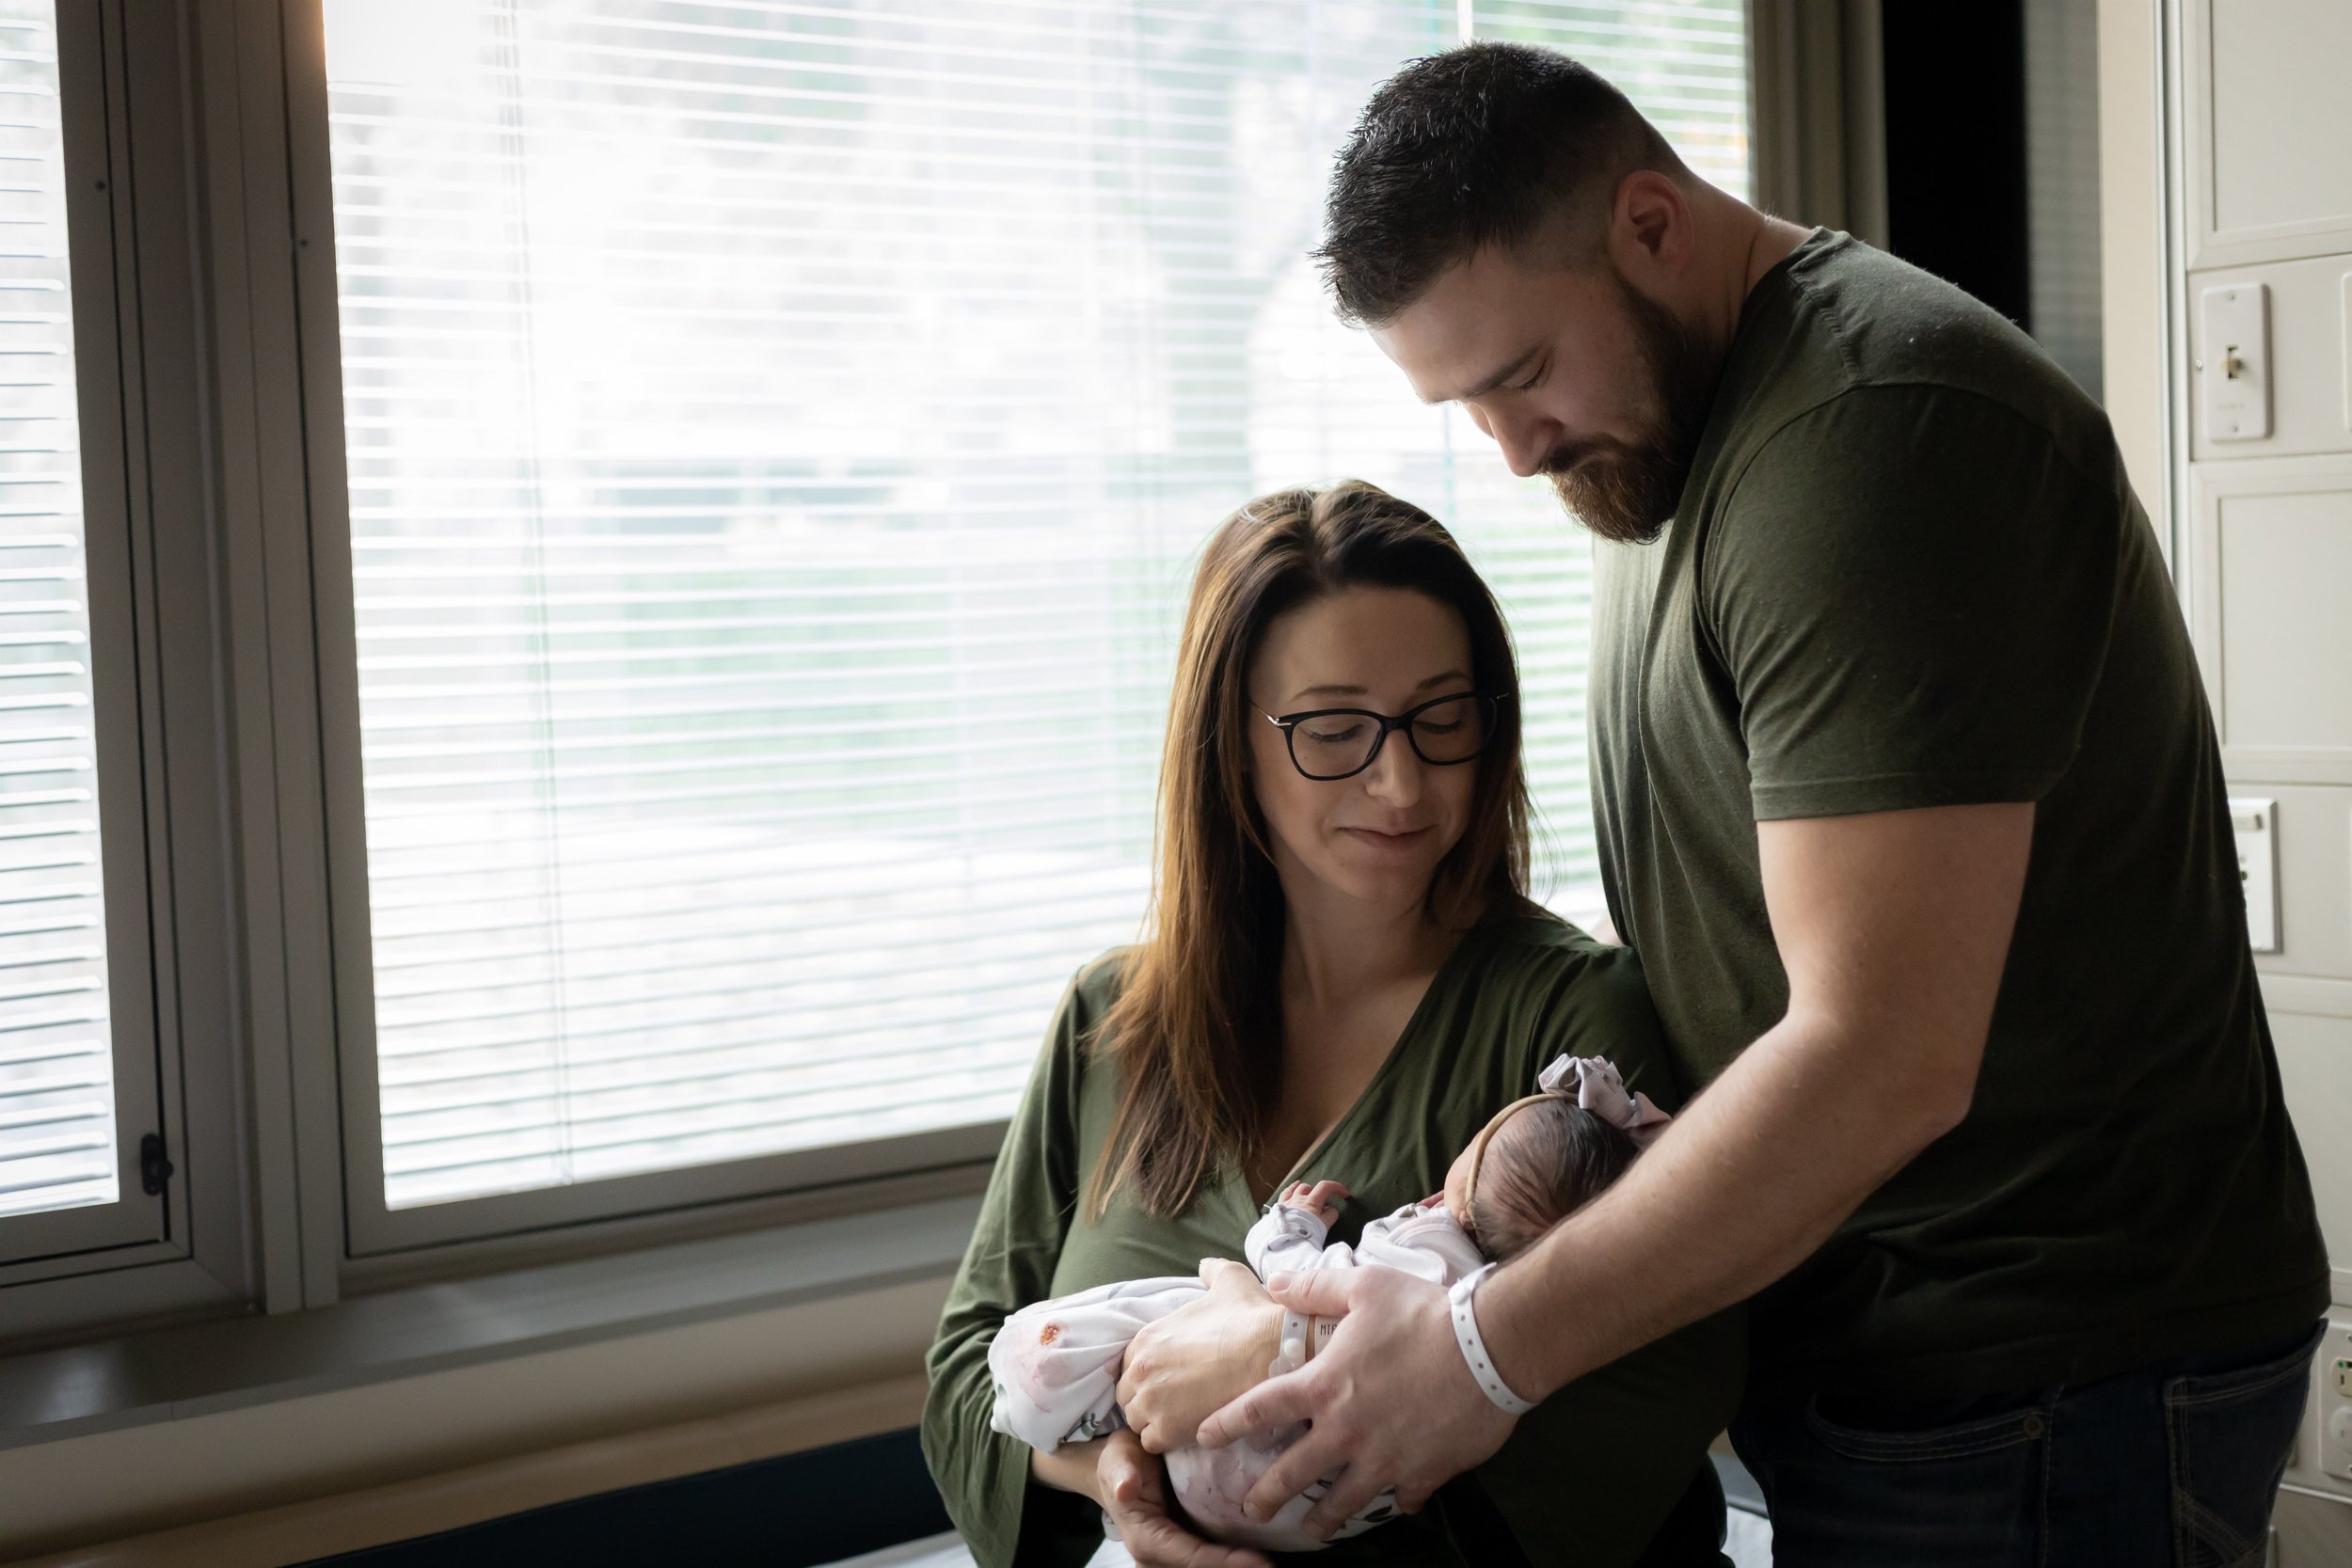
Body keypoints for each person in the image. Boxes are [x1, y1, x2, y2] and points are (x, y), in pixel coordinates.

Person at [1176, 43, 2327, 1567]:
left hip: (2043, 1379)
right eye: (1463, 402)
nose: (1510, 452)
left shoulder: (1873, 433)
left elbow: (1881, 1054)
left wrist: (1477, 1349)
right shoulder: (1652, 440)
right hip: (1891, 1365)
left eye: (1520, 374)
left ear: (1652, 222)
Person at [919, 481, 1745, 1567]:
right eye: (1334, 727)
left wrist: (1282, 1346)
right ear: (1231, 741)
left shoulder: (1572, 1023)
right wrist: (1122, 1476)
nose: (1400, 780)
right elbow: (960, 1381)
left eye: (1441, 717)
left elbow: (1657, 1389)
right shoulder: (1109, 1022)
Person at [984, 1054, 1667, 1553]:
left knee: (1208, 1282)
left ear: (1453, 1193)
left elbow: (1288, 1276)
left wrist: (1289, 1226)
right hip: (1299, 1515)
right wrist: (1104, 1474)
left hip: (1229, 1449)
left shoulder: (1422, 1241)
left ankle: (1039, 1370)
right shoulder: (1511, 1306)